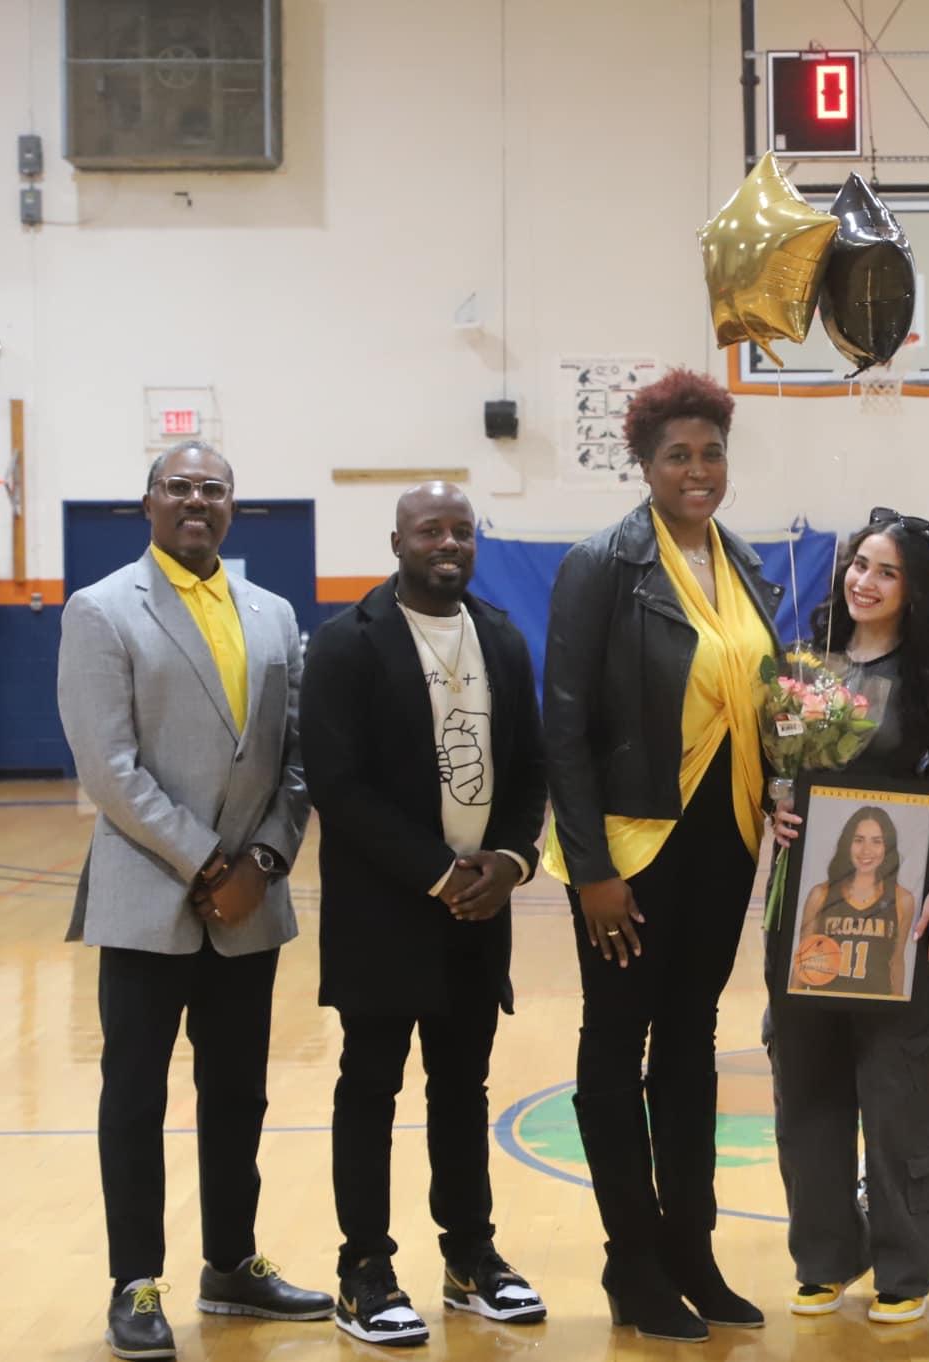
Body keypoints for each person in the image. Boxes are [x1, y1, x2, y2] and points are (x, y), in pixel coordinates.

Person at [57, 440, 330, 1360]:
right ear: (149, 503)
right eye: (179, 487)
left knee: (239, 1095)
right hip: (149, 893)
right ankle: (134, 1280)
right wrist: (210, 864)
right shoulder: (101, 610)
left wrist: (264, 858)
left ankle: (231, 1264)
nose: (196, 501)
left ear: (232, 506)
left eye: (212, 489)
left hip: (253, 898)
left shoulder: (275, 613)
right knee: (133, 1095)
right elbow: (108, 767)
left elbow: (300, 761)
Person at [541, 369, 783, 1344]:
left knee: (689, 1046)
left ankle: (692, 1249)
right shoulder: (602, 564)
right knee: (615, 1049)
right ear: (643, 464)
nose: (697, 469)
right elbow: (561, 727)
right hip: (631, 850)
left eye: (711, 451)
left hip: (723, 843)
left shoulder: (748, 565)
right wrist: (592, 868)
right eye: (677, 454)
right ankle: (629, 1264)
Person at [300, 482, 550, 1346]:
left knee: (463, 1089)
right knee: (370, 1089)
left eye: (461, 530)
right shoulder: (345, 643)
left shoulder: (505, 639)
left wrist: (512, 862)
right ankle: (363, 1268)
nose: (448, 542)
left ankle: (471, 1256)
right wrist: (439, 874)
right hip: (386, 911)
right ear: (397, 540)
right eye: (430, 530)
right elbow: (337, 783)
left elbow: (529, 772)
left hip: (480, 911)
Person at [765, 510, 929, 1324]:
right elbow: (776, 772)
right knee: (805, 1084)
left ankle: (905, 1264)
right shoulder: (807, 665)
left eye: (884, 570)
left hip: (904, 912)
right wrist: (776, 806)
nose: (863, 580)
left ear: (911, 587)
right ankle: (824, 1254)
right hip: (812, 909)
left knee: (896, 1089)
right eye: (857, 564)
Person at [792, 808, 918, 999]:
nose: (866, 850)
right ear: (847, 844)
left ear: (888, 846)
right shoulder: (820, 895)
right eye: (858, 840)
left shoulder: (903, 900)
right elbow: (803, 961)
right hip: (824, 1005)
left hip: (874, 1009)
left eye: (877, 841)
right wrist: (794, 1005)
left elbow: (897, 961)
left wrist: (896, 1010)